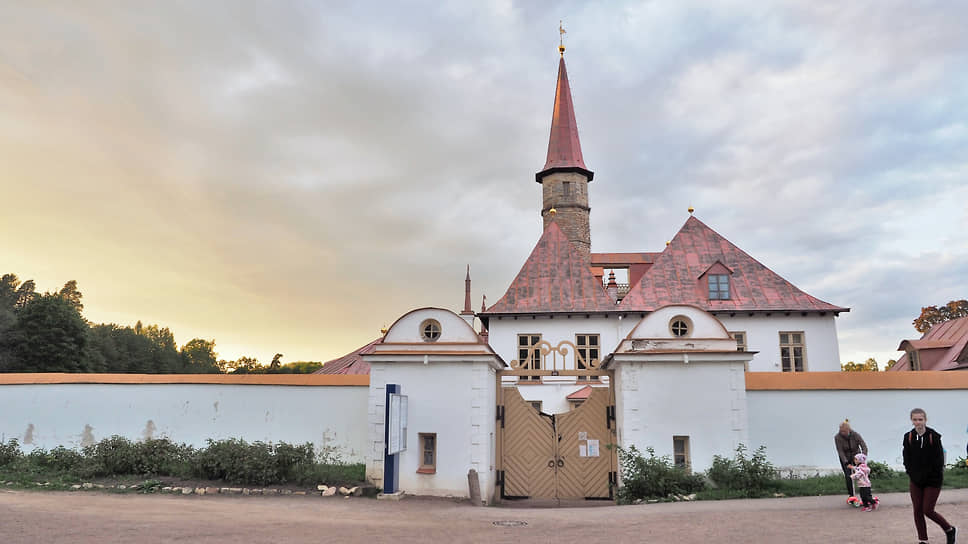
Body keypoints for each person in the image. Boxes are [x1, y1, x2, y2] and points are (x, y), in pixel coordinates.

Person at [903, 408, 956, 544]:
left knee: (927, 510)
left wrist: (930, 475)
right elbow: (906, 458)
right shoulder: (908, 437)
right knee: (917, 511)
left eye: (920, 419)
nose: (918, 422)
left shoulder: (934, 436)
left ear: (925, 420)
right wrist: (911, 473)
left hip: (933, 480)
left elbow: (939, 461)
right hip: (915, 480)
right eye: (915, 419)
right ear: (911, 420)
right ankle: (923, 540)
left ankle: (949, 530)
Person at [835, 420, 868, 498]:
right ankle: (851, 495)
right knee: (848, 476)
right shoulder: (837, 437)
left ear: (848, 430)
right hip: (845, 457)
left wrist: (862, 457)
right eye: (841, 431)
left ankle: (865, 494)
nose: (842, 433)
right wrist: (846, 462)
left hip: (856, 456)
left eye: (844, 431)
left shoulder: (855, 435)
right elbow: (840, 451)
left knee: (861, 475)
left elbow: (864, 446)